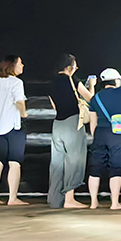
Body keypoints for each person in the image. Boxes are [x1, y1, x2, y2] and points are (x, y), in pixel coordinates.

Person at [87, 40, 121, 210]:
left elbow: (93, 121)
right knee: (116, 168)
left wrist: (96, 136)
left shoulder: (95, 98)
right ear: (116, 80)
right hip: (117, 134)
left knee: (95, 168)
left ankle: (93, 202)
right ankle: (114, 203)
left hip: (100, 134)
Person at [47, 53, 93, 209]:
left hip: (57, 124)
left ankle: (54, 200)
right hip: (72, 122)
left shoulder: (50, 82)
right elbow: (90, 99)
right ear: (69, 67)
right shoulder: (72, 80)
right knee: (74, 160)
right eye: (75, 66)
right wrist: (91, 85)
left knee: (57, 163)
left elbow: (54, 106)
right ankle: (69, 199)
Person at [0, 55, 29, 206]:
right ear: (12, 66)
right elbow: (19, 101)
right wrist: (24, 114)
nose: (22, 65)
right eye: (20, 63)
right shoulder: (16, 82)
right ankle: (12, 198)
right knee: (15, 162)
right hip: (13, 126)